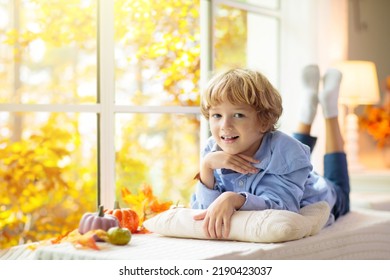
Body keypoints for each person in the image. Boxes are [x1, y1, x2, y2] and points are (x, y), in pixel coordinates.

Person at [191, 66, 350, 239]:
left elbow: (284, 209)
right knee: (288, 150)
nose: (225, 126)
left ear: (264, 122)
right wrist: (206, 167)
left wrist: (234, 198)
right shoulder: (212, 151)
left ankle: (330, 110)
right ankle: (307, 109)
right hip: (289, 166)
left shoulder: (287, 151)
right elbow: (203, 212)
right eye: (216, 115)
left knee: (338, 186)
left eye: (238, 115)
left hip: (320, 190)